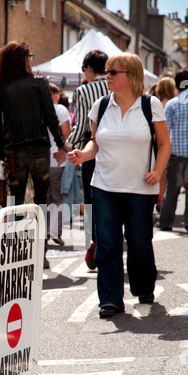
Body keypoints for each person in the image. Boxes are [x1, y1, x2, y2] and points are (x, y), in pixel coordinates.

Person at [68, 53, 171, 318]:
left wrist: (158, 171)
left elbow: (163, 144)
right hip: (104, 186)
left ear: (131, 76)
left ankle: (143, 287)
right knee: (107, 244)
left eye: (113, 72)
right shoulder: (101, 106)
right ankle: (110, 300)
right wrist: (83, 154)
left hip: (140, 188)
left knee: (138, 241)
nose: (107, 76)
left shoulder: (151, 105)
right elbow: (95, 141)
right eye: (106, 72)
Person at [0, 41, 68, 268]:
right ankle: (40, 255)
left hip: (15, 152)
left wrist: (2, 152)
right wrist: (61, 145)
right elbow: (51, 118)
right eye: (29, 56)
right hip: (40, 151)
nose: (31, 60)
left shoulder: (1, 88)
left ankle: (15, 254)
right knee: (41, 202)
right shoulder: (39, 84)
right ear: (24, 60)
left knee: (15, 202)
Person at [63, 50, 109, 270]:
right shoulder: (115, 84)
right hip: (115, 150)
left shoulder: (83, 90)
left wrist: (68, 146)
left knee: (92, 198)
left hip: (91, 149)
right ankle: (110, 241)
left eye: (84, 69)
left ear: (89, 68)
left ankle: (93, 243)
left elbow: (81, 124)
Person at [159, 68, 188, 232]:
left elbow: (165, 131)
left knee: (173, 188)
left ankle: (166, 222)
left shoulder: (172, 104)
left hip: (175, 153)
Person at [47, 83, 71, 245]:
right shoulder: (60, 110)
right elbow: (67, 134)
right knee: (56, 197)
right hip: (57, 160)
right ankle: (55, 231)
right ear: (53, 95)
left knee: (42, 197)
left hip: (39, 160)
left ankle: (43, 234)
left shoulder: (35, 108)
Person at [155, 76, 177, 211]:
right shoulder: (175, 103)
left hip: (159, 143)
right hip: (173, 144)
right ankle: (166, 202)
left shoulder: (156, 103)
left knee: (161, 174)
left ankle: (160, 200)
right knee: (171, 177)